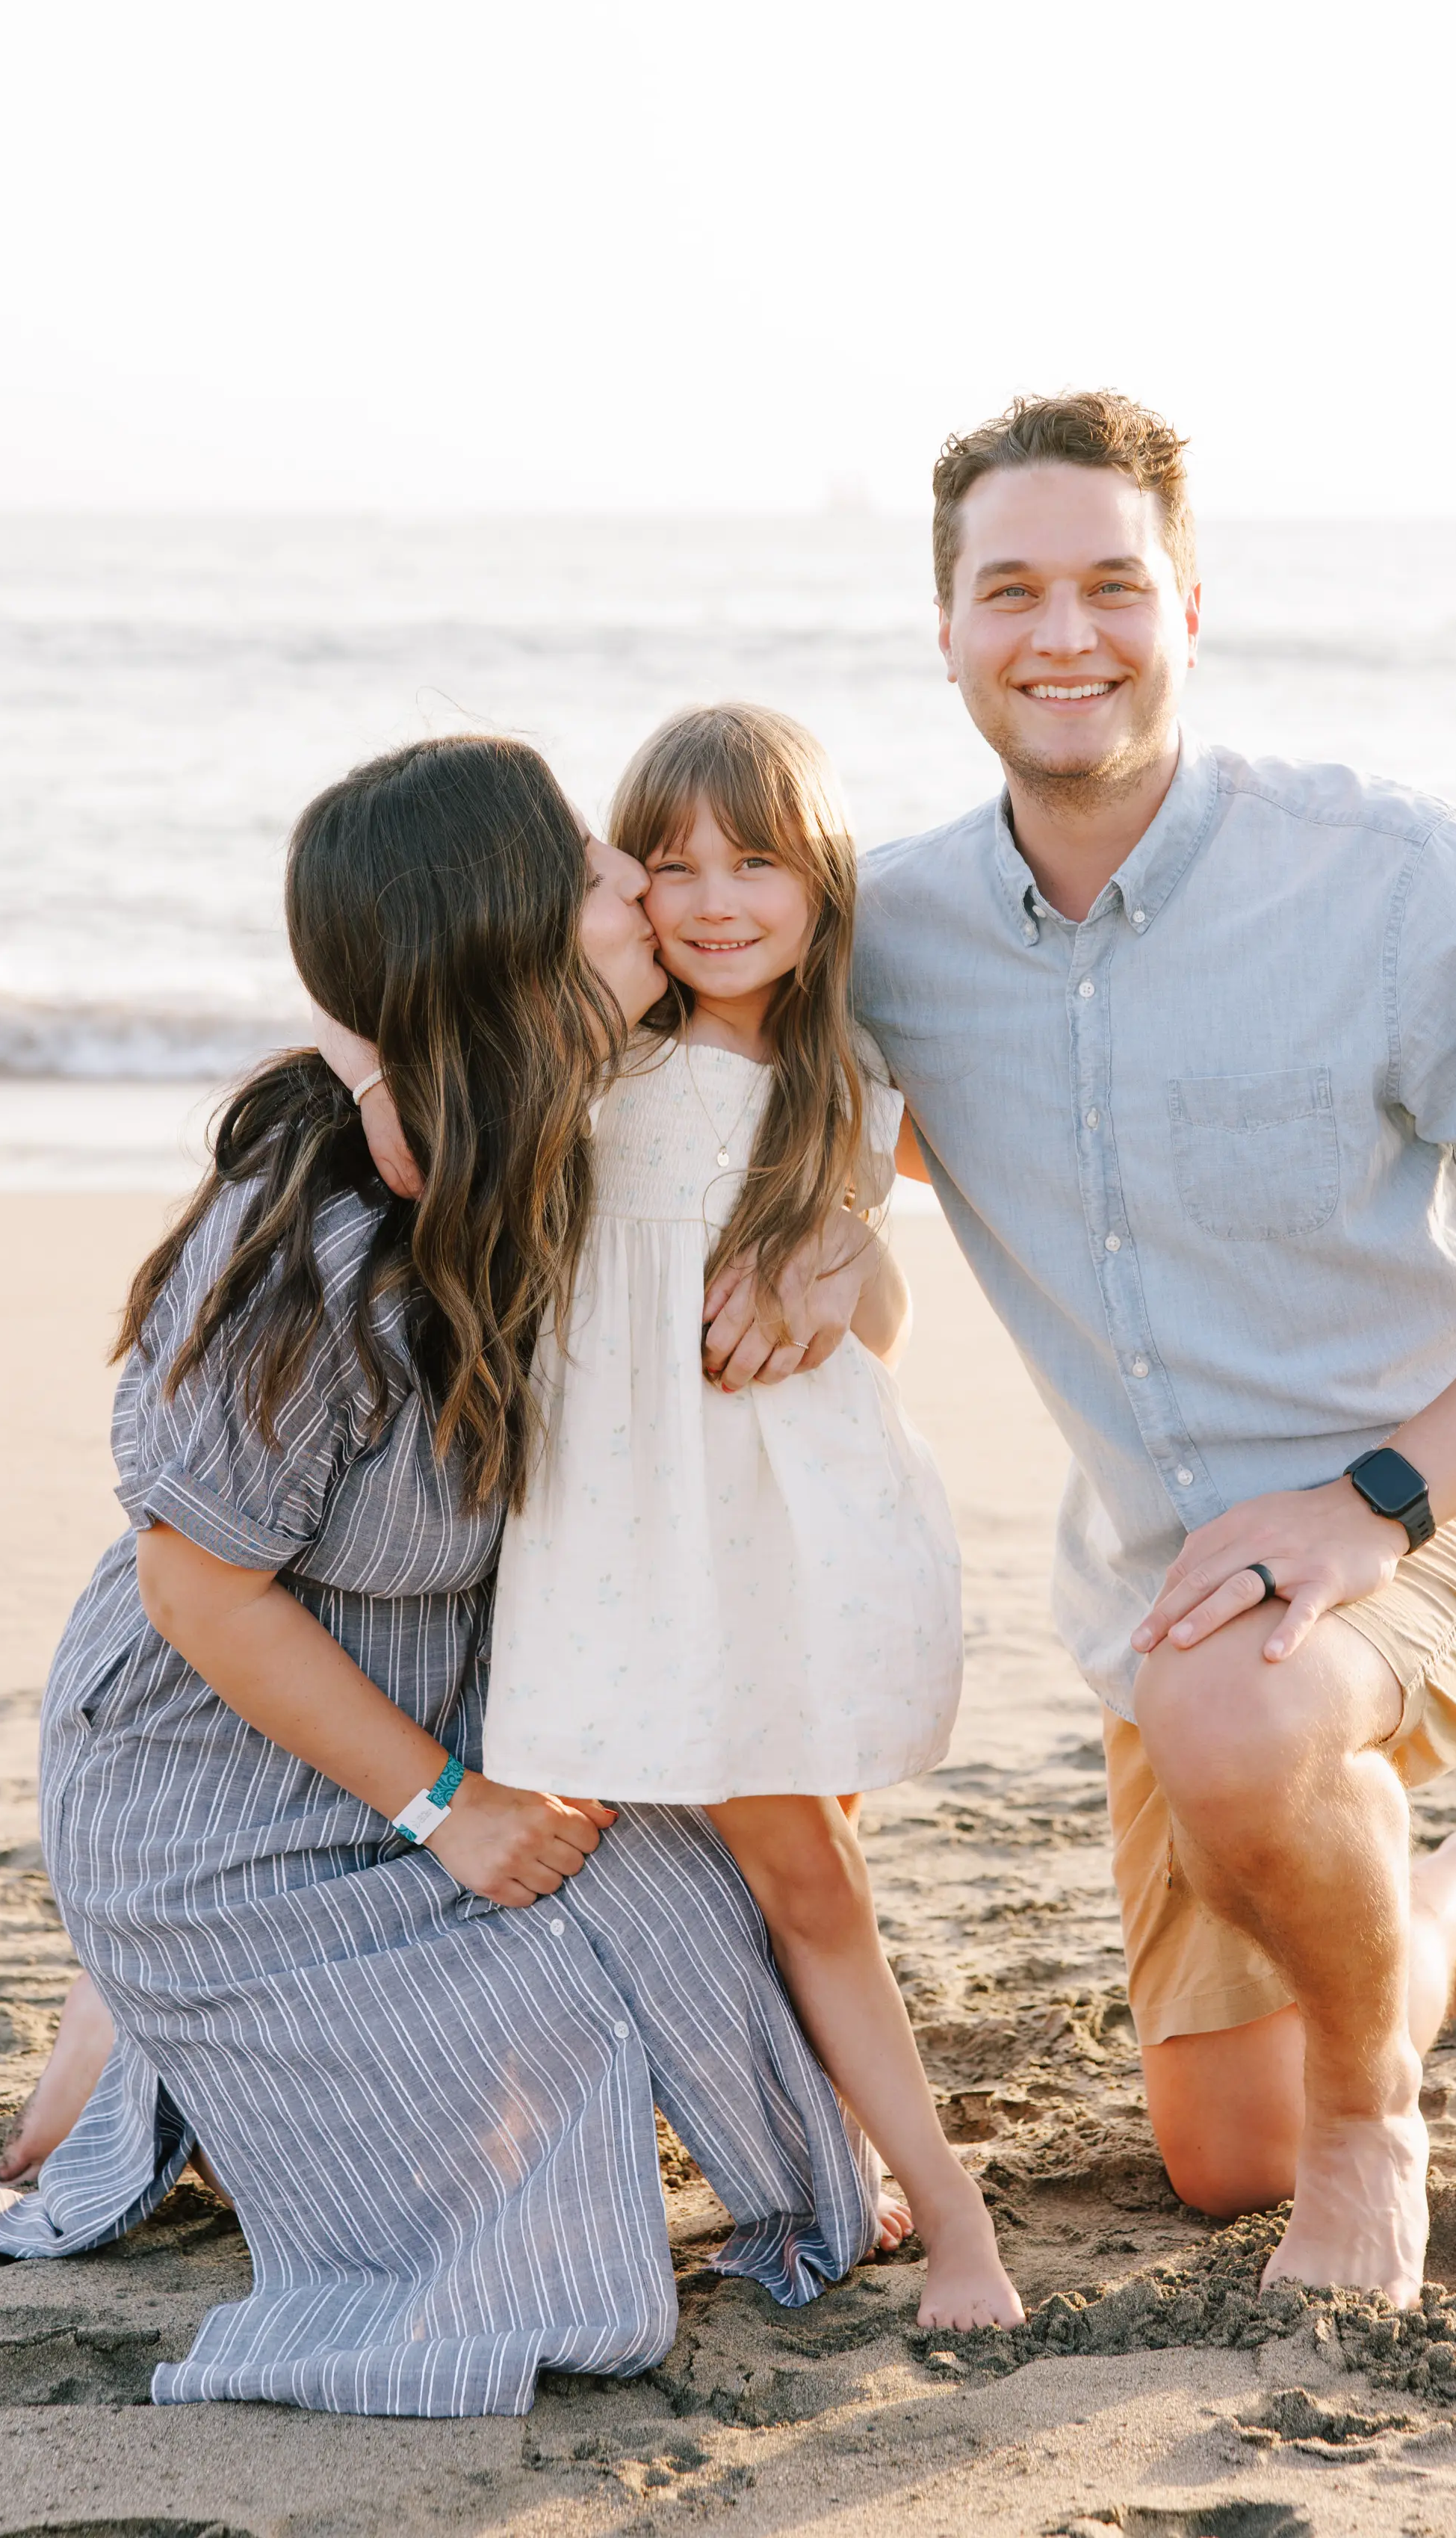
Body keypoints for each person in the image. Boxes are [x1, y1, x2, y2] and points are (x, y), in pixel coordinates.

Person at [716, 390, 1456, 2307]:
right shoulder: (892, 935)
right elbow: (741, 1084)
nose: (1060, 632)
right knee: (1211, 2156)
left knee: (1249, 1717)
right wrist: (819, 1244)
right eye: (1009, 590)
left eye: (1110, 583)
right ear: (944, 630)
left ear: (1188, 605)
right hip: (1178, 1590)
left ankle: (1375, 2125)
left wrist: (1371, 1501)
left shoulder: (1387, 876)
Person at [0, 736, 877, 2415]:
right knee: (544, 2141)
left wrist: (832, 1224)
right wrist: (447, 1811)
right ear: (506, 944)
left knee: (728, 1968)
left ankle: (135, 2042)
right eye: (594, 869)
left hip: (463, 1707)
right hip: (227, 1788)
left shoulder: (574, 1109)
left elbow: (842, 1071)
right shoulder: (315, 1256)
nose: (638, 882)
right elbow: (200, 1592)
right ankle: (145, 2017)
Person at [483, 702, 1016, 2332]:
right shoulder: (590, 1055)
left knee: (810, 1872)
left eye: (756, 858)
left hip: (789, 1533)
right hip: (617, 1539)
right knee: (647, 1859)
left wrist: (852, 1247)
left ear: (822, 876)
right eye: (670, 861)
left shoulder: (846, 1076)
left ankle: (952, 2220)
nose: (713, 898)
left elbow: (885, 1332)